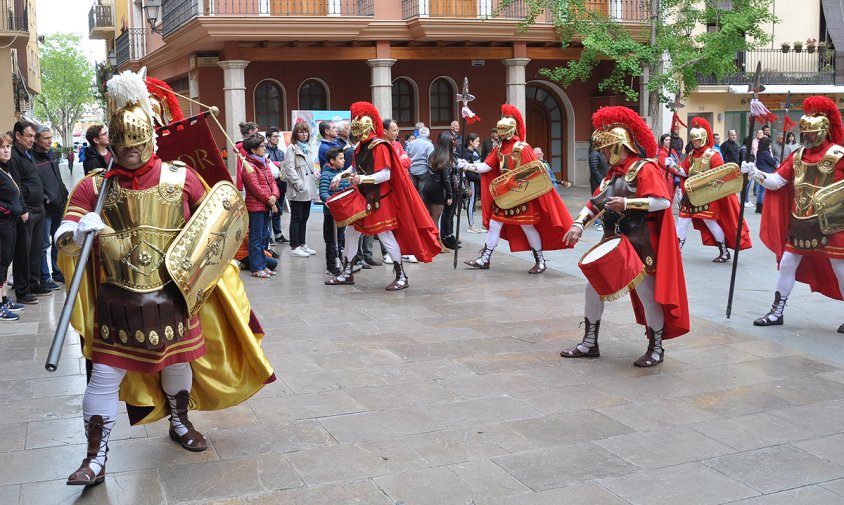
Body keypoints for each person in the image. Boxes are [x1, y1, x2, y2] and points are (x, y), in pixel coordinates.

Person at [56, 70, 274, 487]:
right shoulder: (93, 187)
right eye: (124, 148)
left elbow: (216, 228)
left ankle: (179, 421)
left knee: (179, 362)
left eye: (139, 147)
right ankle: (95, 456)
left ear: (151, 141)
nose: (132, 154)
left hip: (174, 294)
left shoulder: (181, 177)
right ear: (112, 145)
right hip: (116, 301)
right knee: (103, 374)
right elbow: (64, 236)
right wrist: (76, 231)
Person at [560, 106, 689, 367]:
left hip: (641, 242)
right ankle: (590, 342)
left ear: (621, 146)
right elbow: (595, 202)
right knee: (592, 287)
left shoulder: (645, 169)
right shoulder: (612, 175)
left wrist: (629, 204)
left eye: (607, 149)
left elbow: (663, 202)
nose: (605, 155)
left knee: (647, 293)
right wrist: (577, 225)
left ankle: (656, 348)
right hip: (614, 240)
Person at [741, 95, 844, 334]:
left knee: (840, 268)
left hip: (832, 223)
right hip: (801, 221)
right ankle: (776, 312)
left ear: (823, 131)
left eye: (810, 134)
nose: (805, 137)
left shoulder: (839, 154)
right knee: (787, 263)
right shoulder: (797, 156)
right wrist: (754, 171)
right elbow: (777, 181)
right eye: (803, 133)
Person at [325, 101, 440, 291]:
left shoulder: (379, 146)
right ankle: (347, 273)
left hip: (379, 200)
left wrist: (360, 179)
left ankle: (401, 276)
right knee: (351, 233)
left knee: (386, 236)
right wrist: (340, 175)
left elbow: (385, 175)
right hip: (364, 198)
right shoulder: (361, 146)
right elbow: (355, 168)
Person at [461, 104, 574, 273]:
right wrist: (467, 166)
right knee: (494, 225)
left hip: (521, 195)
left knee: (528, 227)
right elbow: (486, 166)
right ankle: (484, 259)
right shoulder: (499, 148)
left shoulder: (523, 148)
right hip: (504, 195)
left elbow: (534, 173)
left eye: (502, 131)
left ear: (509, 131)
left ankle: (540, 260)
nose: (500, 134)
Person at [675, 117, 752, 262]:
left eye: (696, 140)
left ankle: (724, 251)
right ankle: (676, 250)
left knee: (710, 222)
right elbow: (685, 172)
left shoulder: (713, 155)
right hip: (691, 195)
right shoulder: (691, 155)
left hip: (707, 195)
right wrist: (673, 166)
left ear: (703, 139)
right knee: (682, 221)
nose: (694, 142)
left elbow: (720, 177)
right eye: (693, 140)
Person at [8, 120, 46, 305]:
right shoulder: (14, 156)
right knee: (23, 252)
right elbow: (15, 186)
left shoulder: (27, 153)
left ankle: (34, 283)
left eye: (33, 136)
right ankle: (23, 290)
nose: (33, 140)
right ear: (18, 136)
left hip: (39, 207)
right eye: (29, 136)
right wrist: (23, 210)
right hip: (27, 211)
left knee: (36, 250)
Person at [32, 125, 69, 287]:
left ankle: (57, 272)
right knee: (43, 244)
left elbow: (57, 177)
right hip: (45, 208)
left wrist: (64, 194)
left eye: (50, 138)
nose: (50, 141)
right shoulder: (31, 157)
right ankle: (45, 276)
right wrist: (45, 198)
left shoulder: (51, 154)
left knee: (57, 240)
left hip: (59, 204)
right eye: (46, 138)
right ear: (36, 139)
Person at [241, 132, 280, 278]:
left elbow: (273, 182)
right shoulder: (248, 166)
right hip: (256, 207)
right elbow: (255, 188)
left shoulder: (264, 162)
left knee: (264, 237)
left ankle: (263, 265)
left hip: (266, 205)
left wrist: (274, 196)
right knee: (256, 238)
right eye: (262, 146)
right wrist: (269, 199)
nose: (264, 149)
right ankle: (256, 268)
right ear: (253, 150)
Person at [283, 121, 318, 258]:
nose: (304, 134)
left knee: (304, 217)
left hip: (308, 189)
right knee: (296, 218)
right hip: (299, 189)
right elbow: (289, 169)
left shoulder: (306, 148)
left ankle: (302, 244)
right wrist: (299, 185)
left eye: (306, 132)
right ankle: (295, 246)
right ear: (295, 134)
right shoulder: (292, 148)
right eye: (301, 132)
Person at [0, 133, 25, 320]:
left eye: (8, 146)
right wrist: (9, 210)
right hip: (3, 224)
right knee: (1, 265)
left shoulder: (5, 170)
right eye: (2, 147)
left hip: (10, 224)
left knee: (5, 263)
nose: (6, 150)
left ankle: (3, 299)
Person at [320, 147, 351, 276]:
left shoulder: (343, 174)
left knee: (340, 238)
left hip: (342, 214)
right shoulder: (326, 175)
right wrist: (332, 203)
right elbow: (323, 193)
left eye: (343, 158)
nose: (343, 160)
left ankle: (340, 262)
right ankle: (331, 266)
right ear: (332, 161)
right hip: (330, 215)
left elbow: (348, 188)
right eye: (340, 158)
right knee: (331, 241)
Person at [423, 133, 455, 252]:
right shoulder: (445, 157)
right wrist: (450, 194)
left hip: (428, 185)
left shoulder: (433, 154)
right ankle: (436, 243)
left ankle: (430, 241)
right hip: (437, 188)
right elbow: (445, 178)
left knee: (430, 217)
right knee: (435, 218)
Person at [265, 126, 289, 244]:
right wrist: (276, 164)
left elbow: (284, 165)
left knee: (279, 210)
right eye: (274, 136)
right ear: (268, 138)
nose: (277, 138)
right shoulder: (264, 151)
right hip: (270, 185)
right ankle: (269, 236)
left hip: (281, 184)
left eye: (278, 136)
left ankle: (278, 234)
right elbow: (266, 165)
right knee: (270, 210)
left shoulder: (281, 152)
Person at [463, 133, 484, 233]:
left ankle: (484, 225)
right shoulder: (466, 154)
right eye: (477, 141)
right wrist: (478, 179)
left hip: (479, 180)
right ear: (470, 142)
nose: (478, 143)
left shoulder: (475, 152)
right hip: (473, 181)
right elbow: (467, 172)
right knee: (472, 202)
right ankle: (471, 225)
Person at [406, 126, 434, 192]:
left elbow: (406, 156)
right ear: (428, 134)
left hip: (412, 170)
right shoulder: (429, 144)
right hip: (424, 170)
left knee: (413, 193)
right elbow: (430, 160)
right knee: (422, 194)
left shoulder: (411, 143)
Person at [754, 136, 777, 214]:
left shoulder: (759, 151)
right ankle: (763, 207)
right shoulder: (765, 152)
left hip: (760, 171)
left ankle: (759, 206)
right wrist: (775, 161)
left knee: (760, 190)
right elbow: (772, 162)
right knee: (764, 190)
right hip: (766, 172)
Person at [234, 121, 259, 191]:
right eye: (256, 132)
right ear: (251, 131)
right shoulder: (246, 146)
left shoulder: (243, 145)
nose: (257, 135)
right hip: (248, 178)